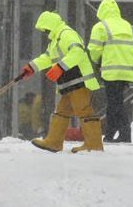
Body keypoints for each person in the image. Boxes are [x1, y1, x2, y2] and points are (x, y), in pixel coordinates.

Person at [16, 10, 103, 153]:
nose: (45, 32)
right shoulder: (55, 40)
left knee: (84, 111)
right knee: (61, 112)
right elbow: (47, 58)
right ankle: (54, 142)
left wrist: (60, 67)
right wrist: (31, 67)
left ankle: (94, 145)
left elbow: (77, 52)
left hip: (79, 82)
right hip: (68, 84)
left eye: (45, 29)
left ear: (50, 25)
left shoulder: (66, 34)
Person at [86, 0, 133, 142]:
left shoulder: (101, 27)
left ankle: (124, 134)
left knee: (115, 103)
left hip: (110, 71)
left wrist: (98, 62)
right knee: (115, 102)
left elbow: (94, 50)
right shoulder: (130, 27)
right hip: (127, 71)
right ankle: (110, 134)